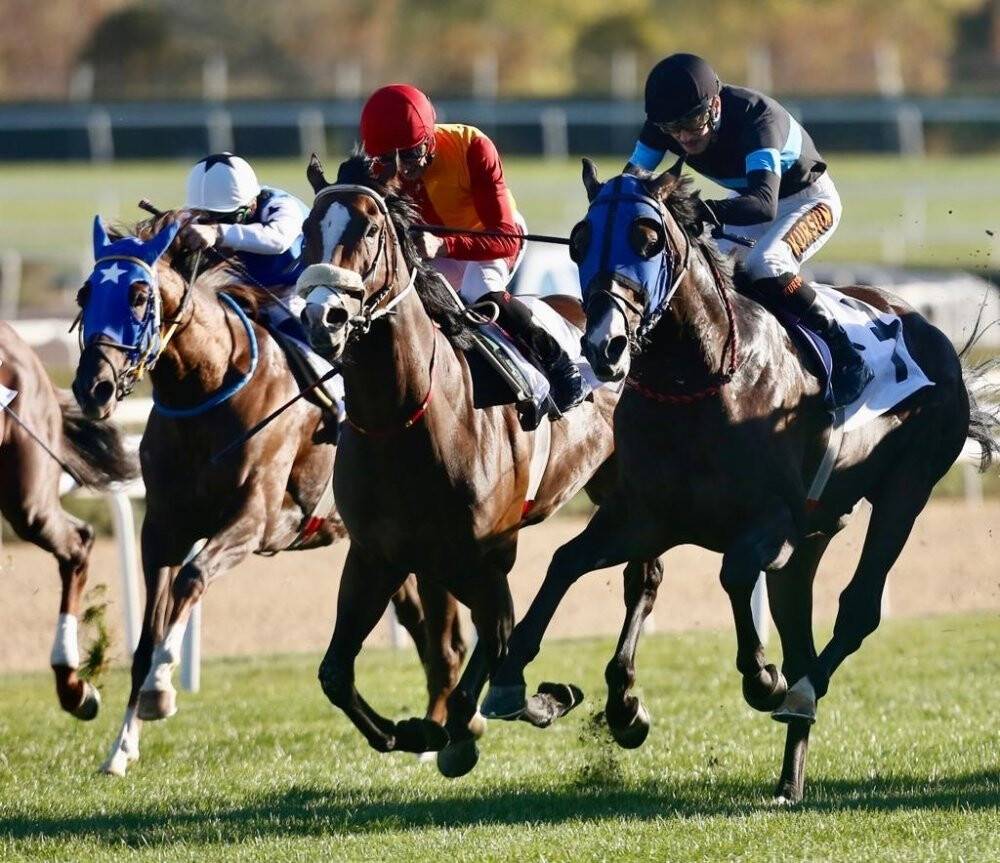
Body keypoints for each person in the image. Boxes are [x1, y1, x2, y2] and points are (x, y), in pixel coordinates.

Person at [627, 53, 873, 408]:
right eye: (671, 129)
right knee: (710, 275)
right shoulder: (665, 123)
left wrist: (699, 211)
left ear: (714, 105)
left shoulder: (758, 119)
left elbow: (763, 204)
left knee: (766, 264)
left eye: (692, 122)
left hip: (806, 201)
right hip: (746, 201)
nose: (683, 136)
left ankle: (846, 353)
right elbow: (631, 184)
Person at [359, 84, 588, 415]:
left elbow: (506, 239)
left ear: (429, 138)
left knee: (479, 290)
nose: (402, 169)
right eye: (387, 160)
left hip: (489, 238)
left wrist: (444, 244)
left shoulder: (472, 147)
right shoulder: (374, 171)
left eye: (409, 154)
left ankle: (558, 368)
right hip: (431, 251)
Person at [180, 152, 341, 438]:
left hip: (298, 290)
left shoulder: (281, 206)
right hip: (244, 289)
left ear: (251, 203)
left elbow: (277, 239)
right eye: (206, 217)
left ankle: (342, 402)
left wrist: (218, 232)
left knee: (305, 336)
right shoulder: (201, 213)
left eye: (227, 217)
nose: (212, 222)